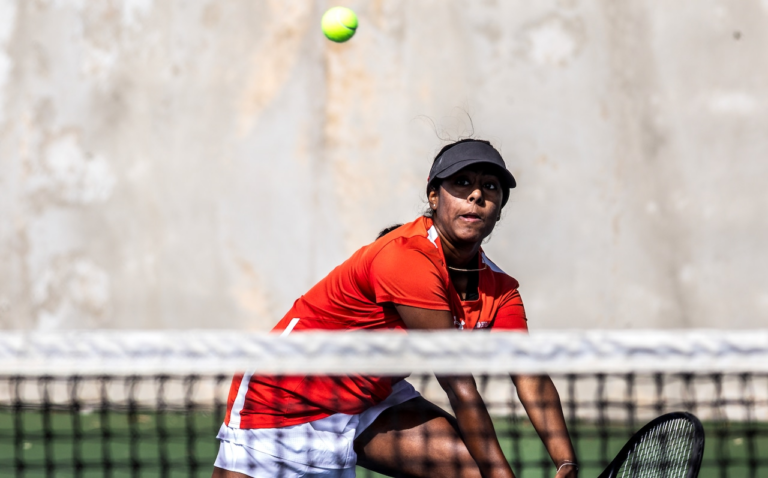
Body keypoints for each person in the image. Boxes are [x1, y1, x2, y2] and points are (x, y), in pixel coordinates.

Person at [212, 139, 578, 478]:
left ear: (499, 209)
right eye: (462, 183)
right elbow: (459, 387)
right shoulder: (407, 258)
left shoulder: (501, 290)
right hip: (286, 399)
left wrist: (566, 462)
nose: (477, 194)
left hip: (373, 396)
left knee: (473, 467)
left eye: (490, 187)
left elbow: (531, 377)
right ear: (434, 197)